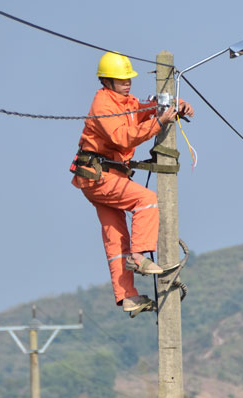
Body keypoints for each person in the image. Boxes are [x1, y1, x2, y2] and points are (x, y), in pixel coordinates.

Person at [70, 52, 194, 317]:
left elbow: (143, 108)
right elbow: (123, 138)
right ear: (107, 81)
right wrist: (158, 123)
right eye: (121, 80)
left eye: (128, 79)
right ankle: (138, 257)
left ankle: (127, 296)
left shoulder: (125, 101)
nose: (127, 84)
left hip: (104, 176)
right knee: (146, 200)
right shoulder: (103, 104)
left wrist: (176, 105)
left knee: (116, 238)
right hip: (98, 176)